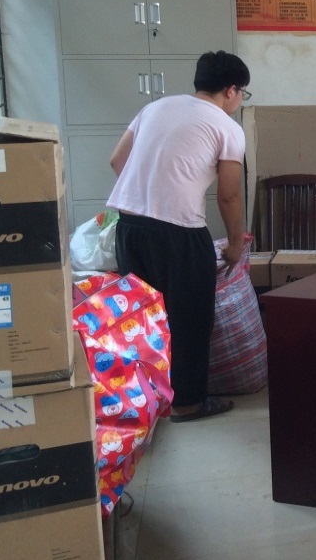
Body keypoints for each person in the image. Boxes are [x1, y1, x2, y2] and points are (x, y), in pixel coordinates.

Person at [107, 50, 250, 423]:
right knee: (190, 318)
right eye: (242, 93)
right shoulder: (227, 127)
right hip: (178, 234)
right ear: (231, 90)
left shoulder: (155, 108)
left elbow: (117, 160)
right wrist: (235, 244)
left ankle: (147, 400)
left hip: (129, 227)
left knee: (143, 317)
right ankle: (187, 402)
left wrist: (148, 193)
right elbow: (229, 195)